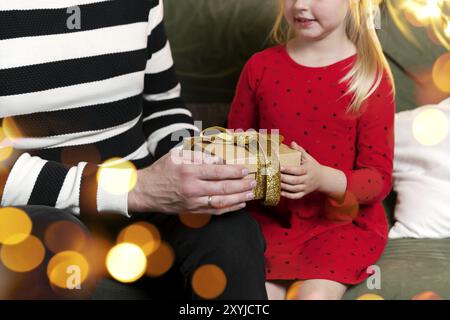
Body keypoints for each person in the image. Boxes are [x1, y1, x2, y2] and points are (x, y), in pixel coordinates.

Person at [0, 0, 267, 299]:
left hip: (143, 197)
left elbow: (163, 105)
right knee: (52, 244)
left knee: (231, 233)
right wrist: (133, 189)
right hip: (33, 206)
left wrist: (189, 164)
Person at [227, 0, 395, 300]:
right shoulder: (260, 66)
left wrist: (321, 178)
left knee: (314, 296)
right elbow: (237, 146)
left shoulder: (369, 76)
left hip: (339, 225)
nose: (300, 5)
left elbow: (378, 180)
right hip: (270, 220)